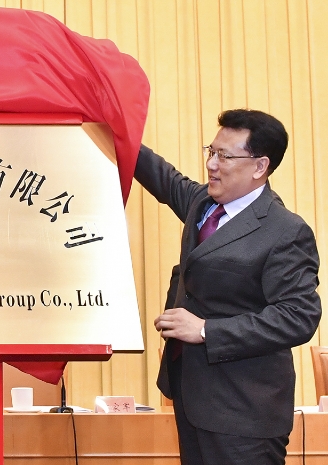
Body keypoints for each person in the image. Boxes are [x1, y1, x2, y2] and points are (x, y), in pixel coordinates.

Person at [135, 109, 321, 465]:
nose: (211, 164)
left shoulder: (285, 231)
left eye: (224, 156)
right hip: (191, 398)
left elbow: (298, 316)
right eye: (211, 151)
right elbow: (162, 176)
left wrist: (206, 330)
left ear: (259, 166)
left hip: (244, 412)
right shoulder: (202, 204)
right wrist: (114, 127)